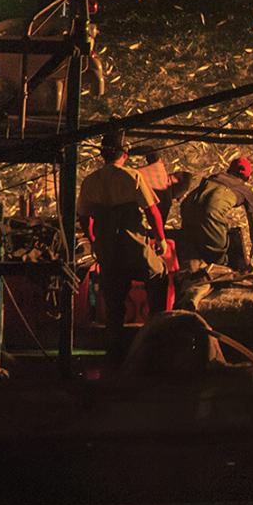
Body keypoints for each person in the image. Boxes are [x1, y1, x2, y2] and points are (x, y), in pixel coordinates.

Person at [78, 128, 169, 357]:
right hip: (132, 244)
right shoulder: (132, 176)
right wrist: (161, 240)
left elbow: (83, 216)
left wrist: (93, 239)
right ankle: (154, 339)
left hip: (107, 247)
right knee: (158, 275)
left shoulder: (90, 181)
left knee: (114, 301)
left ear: (102, 155)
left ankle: (115, 349)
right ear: (125, 154)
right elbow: (152, 212)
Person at [175, 160, 253, 272]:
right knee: (217, 259)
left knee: (193, 252)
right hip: (210, 212)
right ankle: (220, 278)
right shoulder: (247, 191)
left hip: (188, 207)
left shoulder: (214, 178)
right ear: (248, 177)